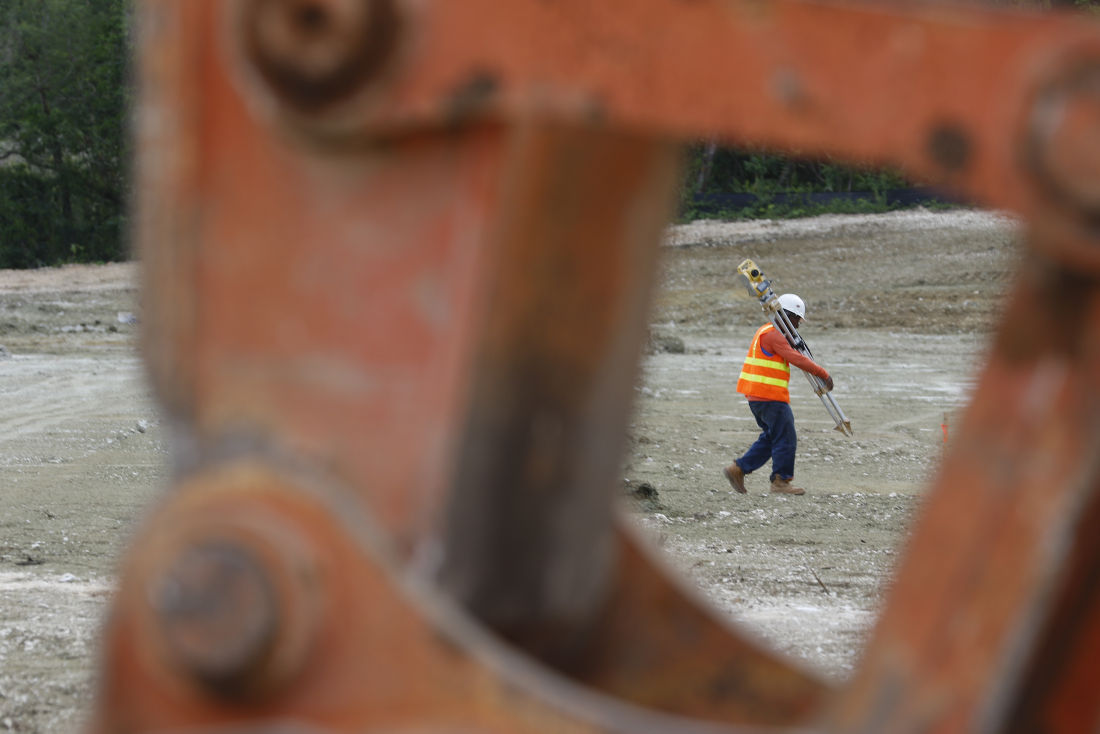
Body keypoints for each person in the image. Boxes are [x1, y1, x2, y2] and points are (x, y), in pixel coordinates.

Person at [724, 293, 833, 496]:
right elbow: (797, 358)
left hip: (758, 397)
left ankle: (738, 469)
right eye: (796, 320)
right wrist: (823, 374)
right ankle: (781, 481)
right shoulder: (773, 335)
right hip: (769, 397)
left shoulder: (765, 331)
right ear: (786, 316)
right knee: (786, 438)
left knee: (772, 437)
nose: (798, 326)